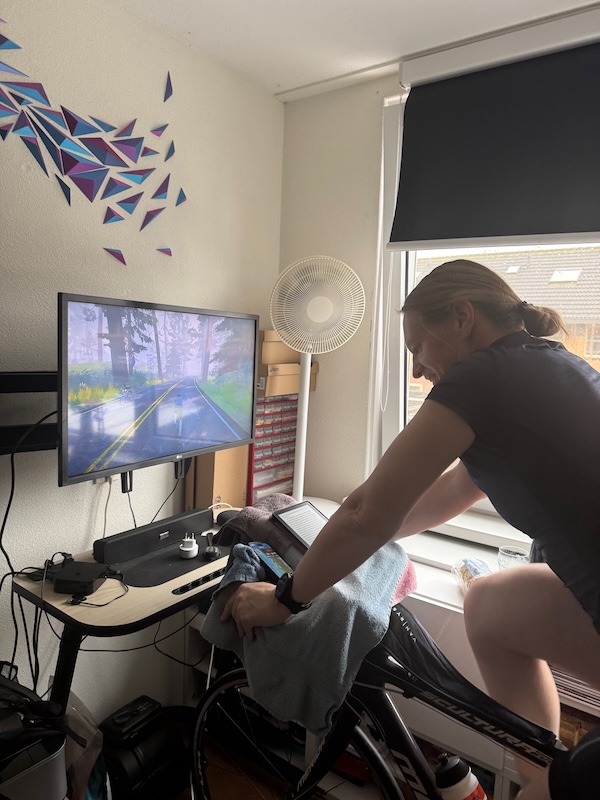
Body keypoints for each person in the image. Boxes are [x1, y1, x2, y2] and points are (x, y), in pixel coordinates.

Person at [222, 259, 600, 797]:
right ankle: (538, 773)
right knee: (490, 604)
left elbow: (365, 513)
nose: (418, 371)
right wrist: (348, 538)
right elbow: (451, 491)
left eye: (418, 347)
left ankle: (550, 786)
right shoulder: (546, 364)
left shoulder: (483, 375)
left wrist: (286, 599)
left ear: (462, 318)